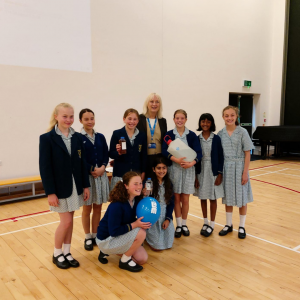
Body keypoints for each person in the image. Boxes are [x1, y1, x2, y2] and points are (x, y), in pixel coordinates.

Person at [39, 103, 90, 269]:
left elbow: (82, 164)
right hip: (59, 188)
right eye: (64, 116)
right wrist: (50, 192)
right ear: (56, 117)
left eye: (71, 116)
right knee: (66, 222)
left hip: (75, 186)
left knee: (70, 221)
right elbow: (45, 168)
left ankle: (67, 252)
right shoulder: (46, 138)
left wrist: (86, 186)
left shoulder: (77, 137)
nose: (68, 120)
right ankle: (56, 253)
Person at [96, 172, 151, 272]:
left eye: (140, 183)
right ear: (126, 186)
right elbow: (114, 231)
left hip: (119, 235)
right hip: (106, 240)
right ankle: (124, 261)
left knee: (142, 259)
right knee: (141, 232)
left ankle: (119, 254)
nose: (139, 186)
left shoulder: (136, 200)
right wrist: (136, 224)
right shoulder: (116, 205)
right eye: (135, 184)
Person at [162, 109, 202, 238]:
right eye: (177, 118)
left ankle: (184, 224)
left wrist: (191, 163)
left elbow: (199, 153)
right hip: (174, 170)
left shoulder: (192, 135)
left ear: (186, 119)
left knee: (185, 199)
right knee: (176, 198)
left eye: (182, 118)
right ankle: (178, 225)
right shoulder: (168, 134)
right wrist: (176, 160)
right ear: (173, 119)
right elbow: (164, 151)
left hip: (188, 170)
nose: (179, 120)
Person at [218, 105, 254, 239]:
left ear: (236, 116)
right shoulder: (220, 134)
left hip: (239, 167)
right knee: (228, 197)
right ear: (223, 117)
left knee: (241, 197)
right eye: (226, 116)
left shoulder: (243, 132)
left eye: (232, 115)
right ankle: (228, 224)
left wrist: (245, 172)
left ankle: (242, 226)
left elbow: (247, 153)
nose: (229, 118)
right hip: (226, 168)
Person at [79, 108, 110, 251]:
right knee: (87, 208)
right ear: (81, 121)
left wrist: (103, 167)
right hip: (88, 178)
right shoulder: (78, 138)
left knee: (98, 207)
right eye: (86, 119)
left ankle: (96, 235)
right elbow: (79, 159)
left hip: (101, 175)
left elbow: (105, 154)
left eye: (92, 118)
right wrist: (91, 169)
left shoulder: (101, 136)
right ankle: (87, 237)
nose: (90, 121)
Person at [194, 113, 224, 237]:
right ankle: (205, 222)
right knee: (203, 197)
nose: (205, 124)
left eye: (208, 122)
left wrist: (220, 174)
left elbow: (221, 157)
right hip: (201, 171)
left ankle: (212, 224)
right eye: (203, 121)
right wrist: (195, 176)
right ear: (200, 123)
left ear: (211, 124)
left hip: (213, 172)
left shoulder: (216, 138)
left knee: (212, 198)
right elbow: (194, 157)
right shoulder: (197, 138)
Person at [109, 108, 147, 190]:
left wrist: (143, 172)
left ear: (138, 121)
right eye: (129, 119)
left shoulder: (142, 135)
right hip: (120, 173)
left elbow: (144, 155)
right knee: (119, 198)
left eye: (134, 119)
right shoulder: (117, 133)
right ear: (124, 119)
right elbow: (111, 153)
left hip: (136, 173)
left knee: (134, 198)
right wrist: (117, 153)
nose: (132, 122)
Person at [145, 156, 175, 250]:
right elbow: (146, 202)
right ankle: (146, 236)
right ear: (153, 169)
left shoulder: (169, 183)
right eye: (158, 168)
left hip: (164, 215)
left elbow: (171, 203)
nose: (161, 171)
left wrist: (168, 218)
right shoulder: (149, 182)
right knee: (157, 246)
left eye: (164, 168)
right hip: (153, 216)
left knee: (169, 243)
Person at [137, 93, 167, 178]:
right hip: (144, 157)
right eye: (151, 101)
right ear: (147, 103)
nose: (154, 104)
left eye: (157, 102)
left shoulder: (162, 121)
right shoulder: (140, 119)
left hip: (159, 157)